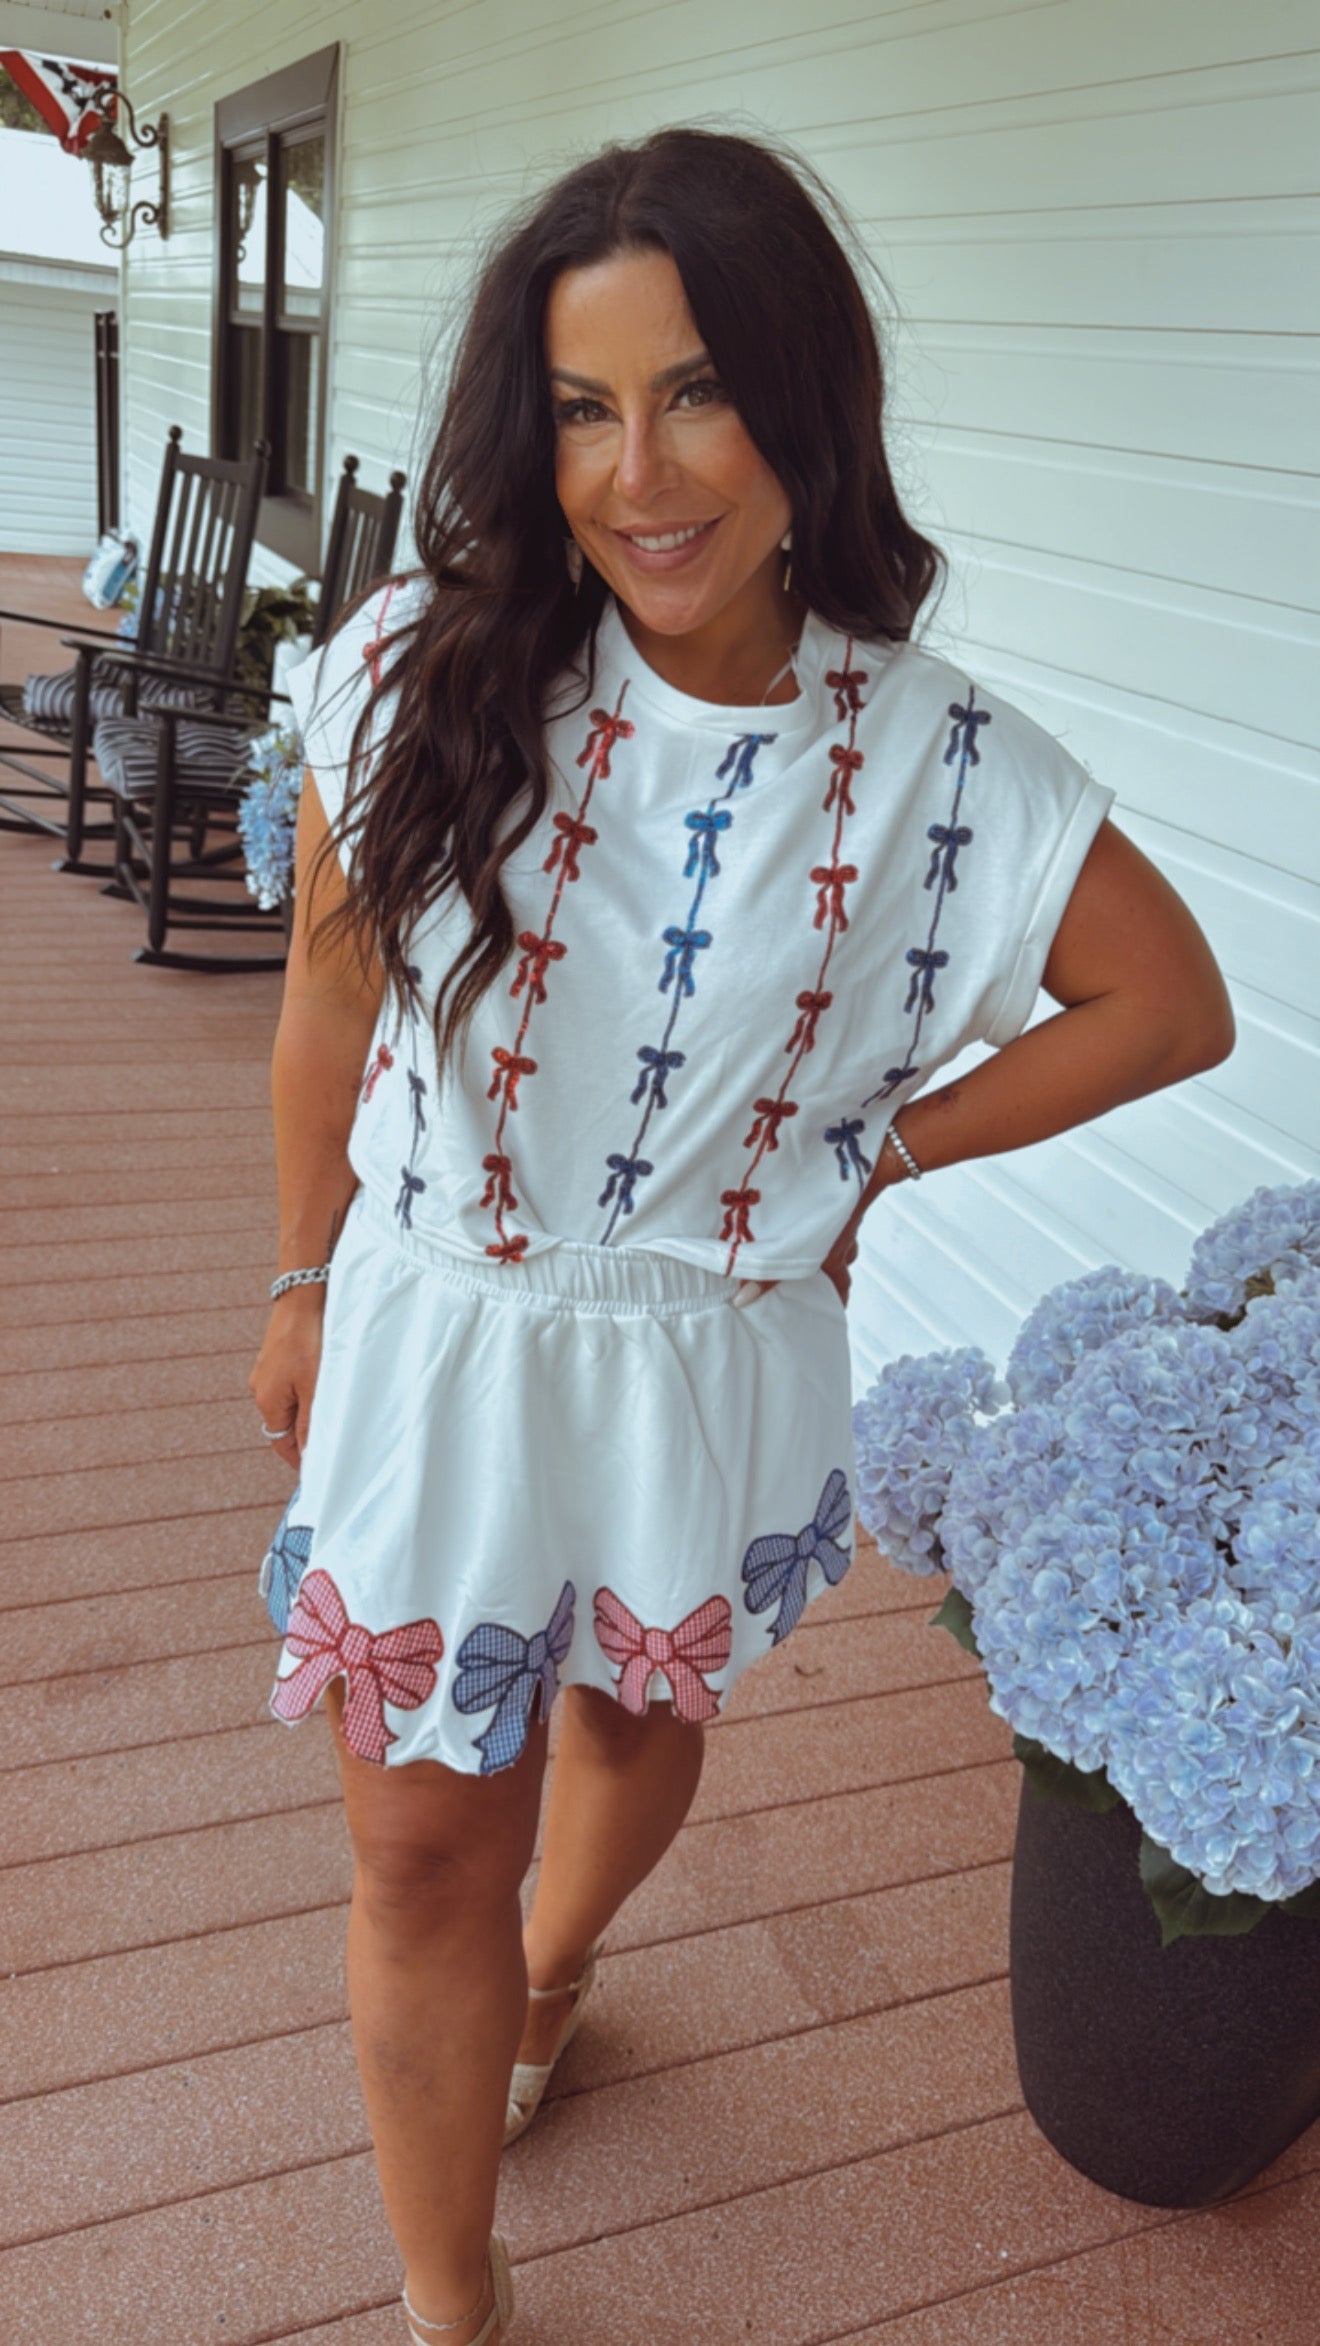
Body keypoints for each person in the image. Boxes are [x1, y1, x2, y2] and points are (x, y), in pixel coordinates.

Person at [249, 126, 1234, 2346]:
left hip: (698, 1344)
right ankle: (453, 2306)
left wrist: (881, 1157)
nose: (639, 475)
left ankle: (554, 1973)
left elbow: (1170, 1006)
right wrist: (302, 1271)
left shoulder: (935, 768)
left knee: (629, 1710)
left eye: (695, 391)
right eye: (582, 408)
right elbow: (326, 1000)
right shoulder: (415, 664)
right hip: (433, 1321)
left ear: (804, 402)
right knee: (416, 1845)